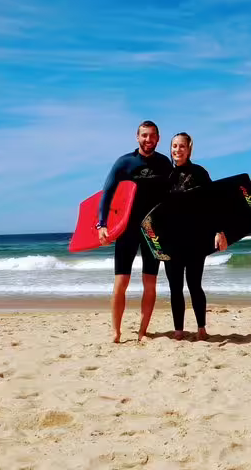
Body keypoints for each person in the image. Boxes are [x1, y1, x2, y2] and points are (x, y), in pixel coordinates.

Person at [97, 120, 173, 343]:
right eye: (144, 135)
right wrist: (101, 225)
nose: (148, 140)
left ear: (158, 138)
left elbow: (171, 197)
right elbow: (107, 194)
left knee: (150, 283)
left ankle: (142, 331)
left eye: (152, 136)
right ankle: (116, 332)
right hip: (127, 230)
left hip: (152, 231)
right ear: (137, 137)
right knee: (121, 282)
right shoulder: (124, 163)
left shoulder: (164, 164)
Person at [164, 132, 227, 341]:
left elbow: (213, 203)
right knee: (175, 287)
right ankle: (179, 330)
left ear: (189, 149)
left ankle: (201, 328)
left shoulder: (199, 173)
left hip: (195, 239)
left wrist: (219, 231)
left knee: (194, 284)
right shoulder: (167, 176)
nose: (177, 150)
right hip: (171, 240)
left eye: (182, 146)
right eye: (174, 146)